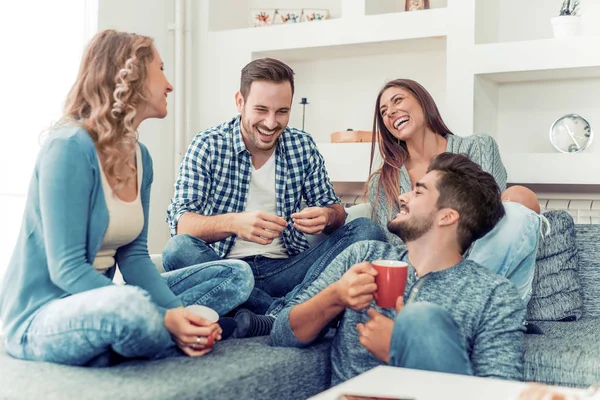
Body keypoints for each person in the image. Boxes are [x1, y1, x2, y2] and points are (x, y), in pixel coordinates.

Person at [0, 30, 254, 367]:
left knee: (236, 275)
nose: (169, 84)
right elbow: (67, 269)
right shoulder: (68, 147)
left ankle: (144, 335)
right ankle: (161, 332)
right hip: (43, 313)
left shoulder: (141, 157)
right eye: (161, 69)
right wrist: (163, 317)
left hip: (104, 301)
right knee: (131, 308)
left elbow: (134, 257)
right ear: (130, 76)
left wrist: (175, 312)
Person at [163, 57, 385, 337]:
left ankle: (263, 314)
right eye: (261, 110)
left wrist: (328, 216)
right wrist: (235, 223)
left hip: (287, 269)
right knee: (178, 250)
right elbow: (181, 225)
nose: (271, 123)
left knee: (366, 230)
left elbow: (336, 213)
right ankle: (289, 315)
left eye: (282, 111)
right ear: (240, 102)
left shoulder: (301, 145)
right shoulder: (207, 144)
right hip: (229, 271)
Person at [271, 153, 526, 385]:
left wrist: (402, 350)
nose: (403, 197)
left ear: (447, 217)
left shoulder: (495, 295)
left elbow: (499, 391)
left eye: (418, 193)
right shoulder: (365, 256)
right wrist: (336, 296)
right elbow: (282, 333)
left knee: (423, 319)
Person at [368, 79, 542, 303]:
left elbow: (491, 218)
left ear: (423, 101)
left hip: (484, 264)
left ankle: (461, 307)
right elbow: (396, 246)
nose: (391, 112)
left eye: (398, 100)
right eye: (383, 112)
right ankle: (462, 311)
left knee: (519, 199)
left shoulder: (477, 147)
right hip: (426, 275)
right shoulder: (384, 182)